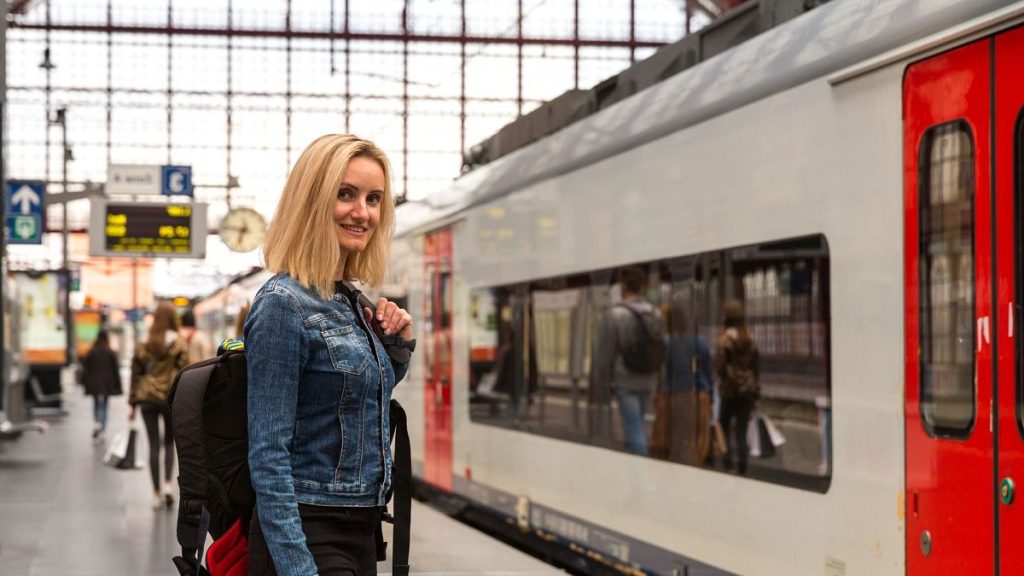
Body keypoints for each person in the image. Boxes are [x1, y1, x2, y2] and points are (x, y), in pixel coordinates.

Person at [245, 134, 415, 576]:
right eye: (346, 194)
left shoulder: (347, 299)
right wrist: (296, 566)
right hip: (308, 531)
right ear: (313, 201)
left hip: (359, 529)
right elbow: (268, 454)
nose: (363, 212)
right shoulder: (283, 303)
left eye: (374, 198)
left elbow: (347, 402)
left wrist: (397, 348)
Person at [592, 266, 664, 456]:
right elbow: (662, 349)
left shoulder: (615, 314)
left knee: (633, 426)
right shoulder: (655, 313)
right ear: (642, 286)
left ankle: (640, 472)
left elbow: (604, 355)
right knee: (638, 423)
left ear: (623, 287)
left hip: (625, 378)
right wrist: (660, 384)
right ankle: (635, 461)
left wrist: (599, 386)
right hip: (649, 377)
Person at [129, 301, 189, 509]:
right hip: (169, 397)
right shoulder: (178, 342)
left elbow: (135, 373)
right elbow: (185, 370)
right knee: (168, 443)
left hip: (146, 397)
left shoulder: (143, 341)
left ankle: (155, 494)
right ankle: (167, 486)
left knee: (153, 444)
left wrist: (132, 403)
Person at [653, 298, 712, 464]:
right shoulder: (698, 341)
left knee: (668, 439)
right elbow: (708, 371)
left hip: (671, 396)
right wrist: (711, 397)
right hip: (695, 395)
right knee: (692, 440)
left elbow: (661, 373)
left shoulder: (665, 343)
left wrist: (657, 394)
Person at [714, 299, 760, 475]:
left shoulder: (724, 340)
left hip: (728, 390)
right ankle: (743, 469)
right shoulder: (750, 338)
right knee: (742, 431)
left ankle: (728, 465)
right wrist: (755, 392)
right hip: (746, 390)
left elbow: (719, 366)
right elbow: (756, 367)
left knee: (724, 428)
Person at [81, 329, 122, 440]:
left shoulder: (92, 352)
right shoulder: (110, 352)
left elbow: (85, 369)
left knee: (96, 404)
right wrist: (118, 386)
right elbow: (115, 371)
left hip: (94, 383)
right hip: (107, 384)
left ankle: (97, 423)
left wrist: (84, 382)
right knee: (104, 405)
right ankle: (102, 428)